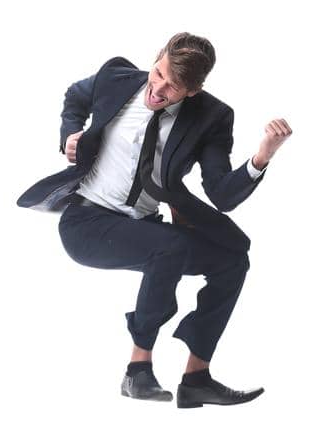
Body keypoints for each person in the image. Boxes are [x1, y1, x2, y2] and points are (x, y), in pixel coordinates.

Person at [16, 32, 292, 408]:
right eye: (158, 73)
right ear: (157, 57)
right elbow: (74, 97)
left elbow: (222, 194)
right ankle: (137, 370)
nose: (158, 89)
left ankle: (196, 378)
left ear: (193, 91)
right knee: (171, 246)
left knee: (232, 261)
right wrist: (70, 135)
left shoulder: (212, 117)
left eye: (173, 87)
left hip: (144, 228)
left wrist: (261, 158)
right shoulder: (116, 77)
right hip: (87, 223)